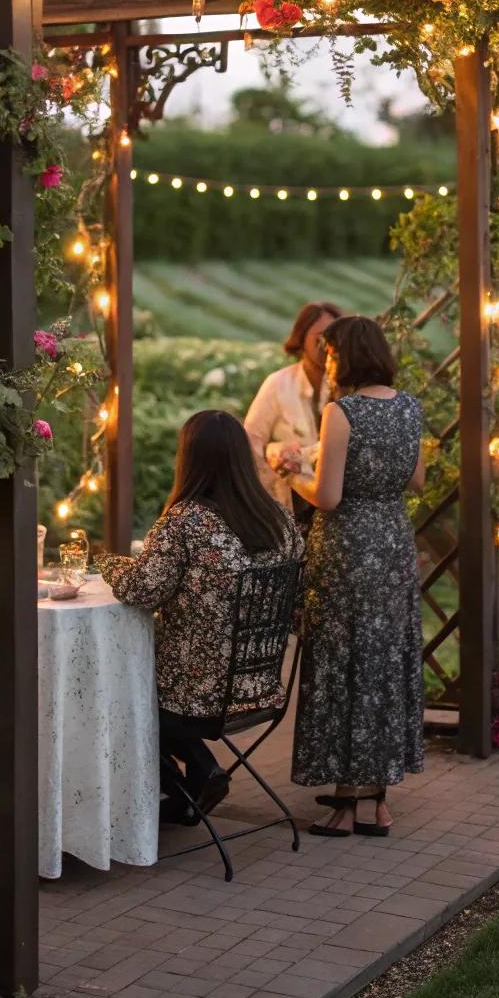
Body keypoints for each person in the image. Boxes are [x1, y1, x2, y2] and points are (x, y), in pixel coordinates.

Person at [98, 410, 302, 825]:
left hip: (199, 695)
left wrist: (107, 564)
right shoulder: (279, 518)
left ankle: (195, 773)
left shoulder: (186, 521)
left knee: (113, 689)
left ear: (188, 458)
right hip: (260, 685)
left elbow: (141, 589)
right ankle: (191, 781)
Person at [287, 315, 424, 839]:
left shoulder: (340, 413)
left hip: (347, 550)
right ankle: (378, 800)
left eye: (331, 354)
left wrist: (293, 477)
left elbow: (328, 497)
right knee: (384, 663)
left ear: (346, 357)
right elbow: (415, 478)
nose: (327, 363)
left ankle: (346, 805)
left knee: (344, 666)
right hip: (392, 544)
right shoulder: (409, 407)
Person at [244, 300, 343, 521]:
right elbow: (251, 441)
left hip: (334, 506)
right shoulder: (278, 384)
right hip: (288, 506)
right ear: (301, 338)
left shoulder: (345, 387)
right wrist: (275, 455)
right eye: (319, 338)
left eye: (333, 338)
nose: (326, 346)